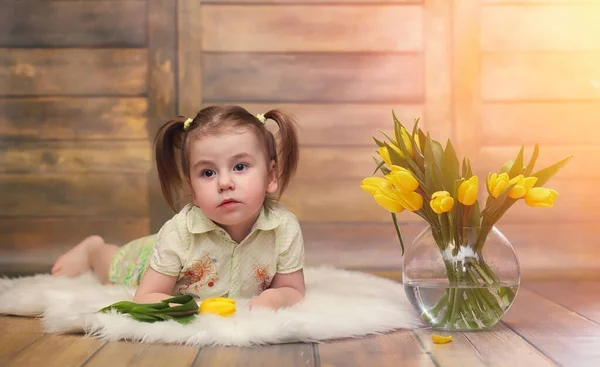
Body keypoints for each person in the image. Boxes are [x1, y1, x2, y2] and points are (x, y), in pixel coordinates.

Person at [51, 105, 305, 310]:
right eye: (208, 172)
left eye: (240, 167)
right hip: (146, 258)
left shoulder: (284, 228)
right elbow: (146, 295)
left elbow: (292, 289)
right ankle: (93, 248)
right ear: (192, 189)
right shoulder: (180, 233)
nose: (225, 183)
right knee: (111, 267)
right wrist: (186, 308)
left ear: (270, 176)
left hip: (175, 253)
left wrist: (276, 298)